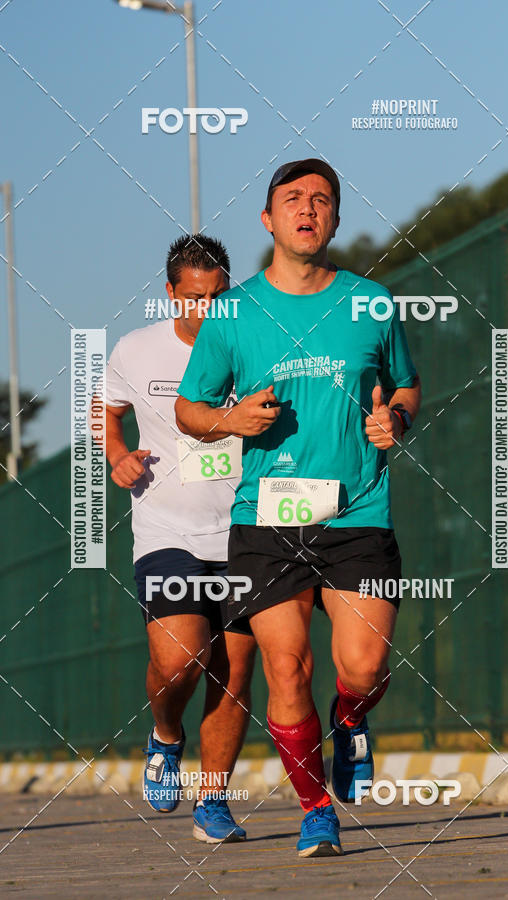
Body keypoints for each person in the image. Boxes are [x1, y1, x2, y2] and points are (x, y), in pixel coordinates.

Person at [175, 160, 421, 857]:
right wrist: (228, 421)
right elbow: (189, 408)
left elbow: (406, 384)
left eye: (321, 200)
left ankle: (351, 719)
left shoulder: (372, 302)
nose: (307, 209)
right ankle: (316, 809)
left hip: (357, 514)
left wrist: (397, 419)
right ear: (268, 219)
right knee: (286, 669)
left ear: (335, 220)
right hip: (265, 520)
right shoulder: (232, 313)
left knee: (363, 667)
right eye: (292, 199)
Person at [103, 234, 256, 843]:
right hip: (167, 530)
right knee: (181, 657)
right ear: (170, 293)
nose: (207, 309)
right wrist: (117, 454)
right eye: (194, 297)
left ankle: (213, 803)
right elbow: (106, 407)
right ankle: (166, 735)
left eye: (218, 296)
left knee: (234, 671)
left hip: (246, 531)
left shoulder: (254, 345)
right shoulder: (136, 350)